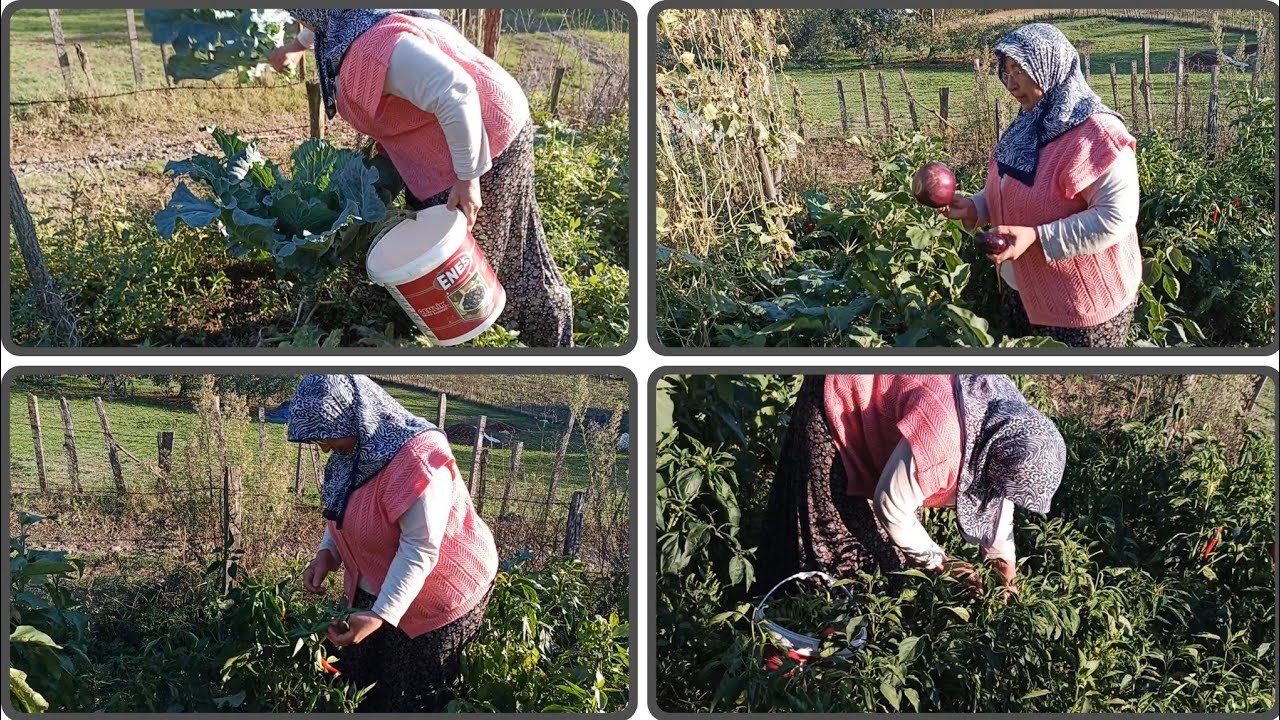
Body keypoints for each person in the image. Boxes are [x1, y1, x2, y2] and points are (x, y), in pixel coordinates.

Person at [270, 10, 574, 347]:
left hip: (485, 141)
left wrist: (469, 179)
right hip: (439, 151)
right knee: (467, 263)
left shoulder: (373, 48)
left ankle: (535, 343)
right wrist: (297, 45)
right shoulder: (343, 23)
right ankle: (484, 333)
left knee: (483, 267)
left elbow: (454, 90)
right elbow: (325, 21)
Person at [287, 374, 498, 711]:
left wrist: (380, 614)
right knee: (356, 682)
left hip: (439, 592)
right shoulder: (352, 451)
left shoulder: (416, 459)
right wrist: (328, 553)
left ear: (355, 416)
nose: (325, 447)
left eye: (328, 436)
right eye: (319, 440)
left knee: (408, 695)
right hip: (378, 580)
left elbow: (420, 549)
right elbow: (344, 511)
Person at [761, 374, 1067, 597]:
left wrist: (1006, 577)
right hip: (842, 398)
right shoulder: (943, 441)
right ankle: (806, 619)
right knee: (834, 537)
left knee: (890, 553)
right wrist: (945, 565)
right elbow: (891, 506)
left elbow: (1000, 502)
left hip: (897, 424)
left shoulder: (1009, 427)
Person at [939, 23, 1142, 348]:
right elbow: (1015, 187)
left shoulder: (1098, 133)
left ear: (1049, 64)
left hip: (1078, 305)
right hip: (1019, 290)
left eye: (1020, 69)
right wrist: (977, 206)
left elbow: (1115, 218)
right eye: (1006, 71)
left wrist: (1036, 238)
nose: (1011, 81)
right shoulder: (1028, 122)